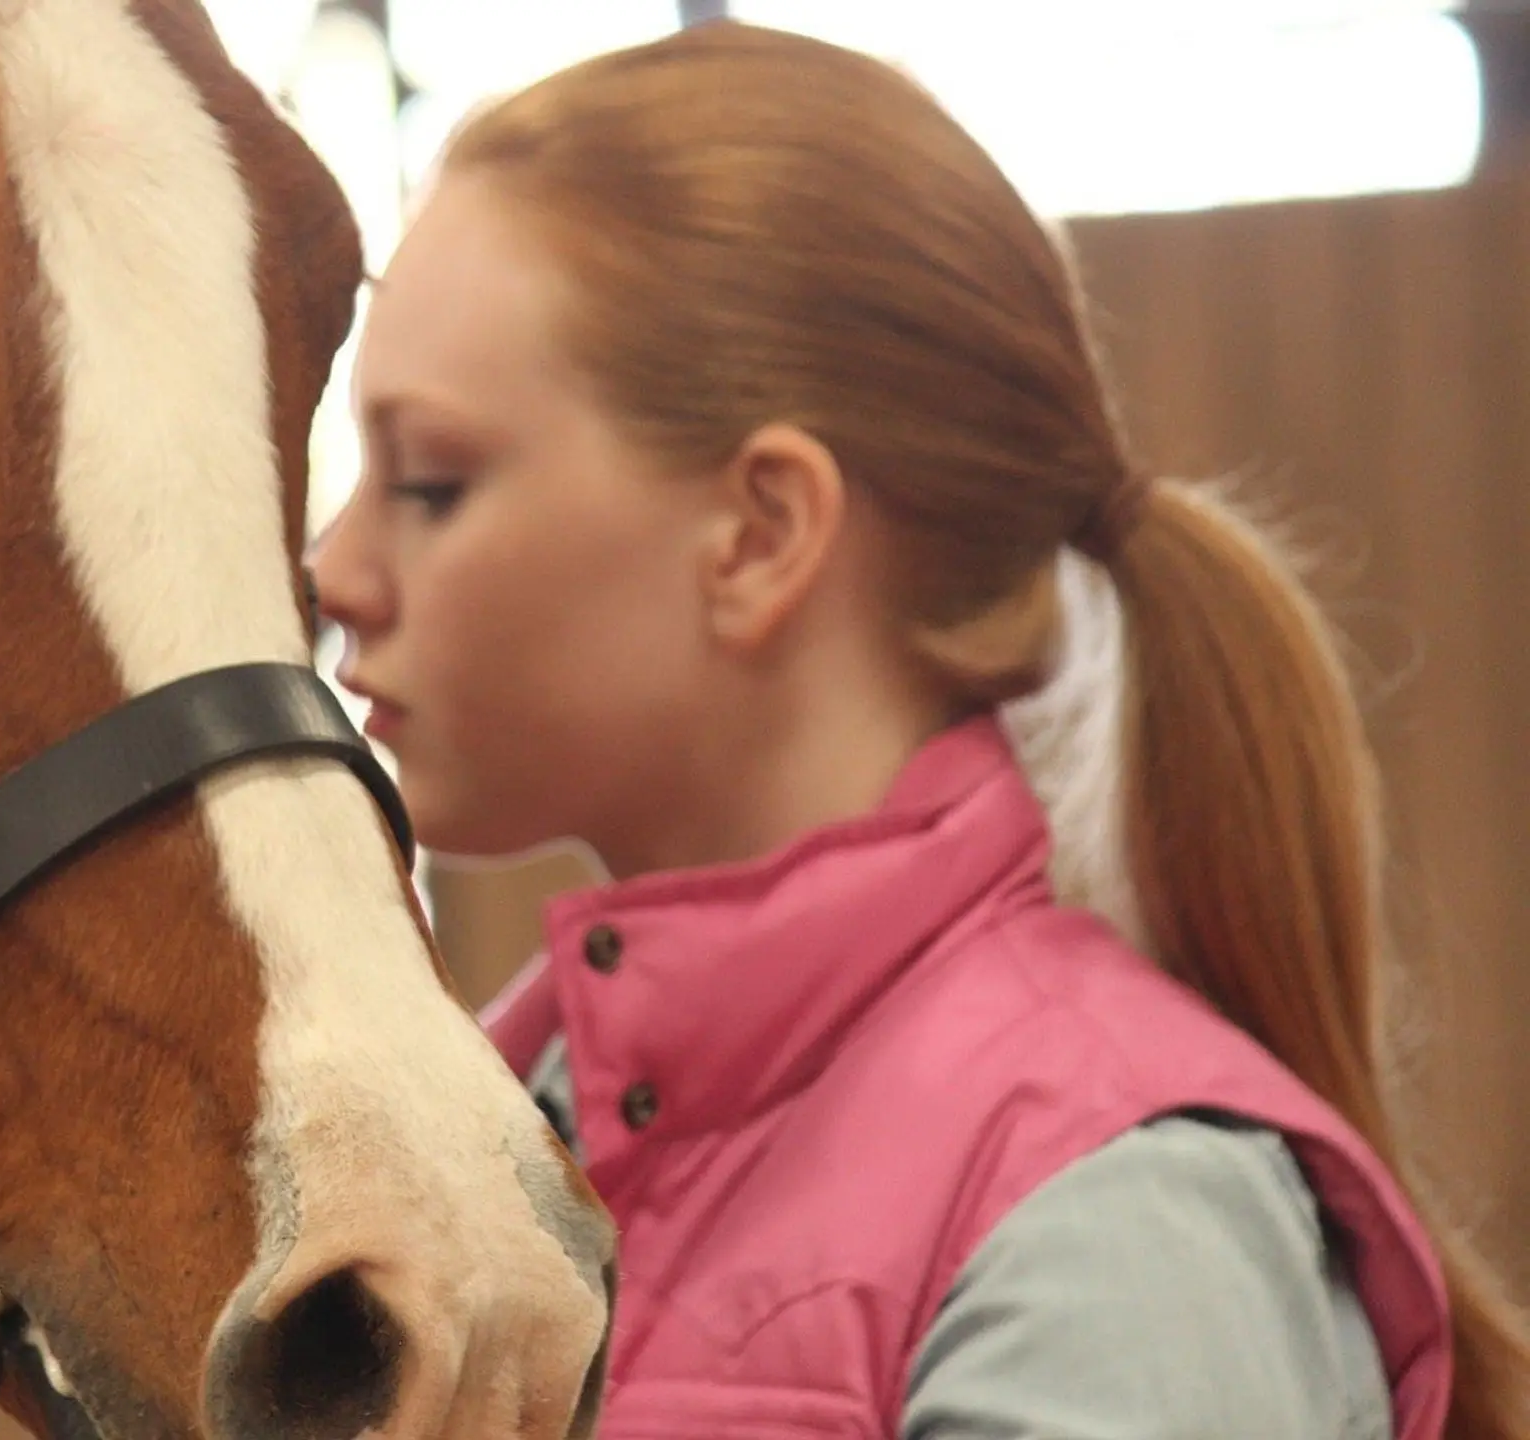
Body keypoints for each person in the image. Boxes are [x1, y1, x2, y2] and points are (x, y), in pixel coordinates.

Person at [306, 19, 1530, 1440]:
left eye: (435, 480)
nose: (334, 565)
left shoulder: (1120, 1222)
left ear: (761, 533)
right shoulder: (514, 1123)